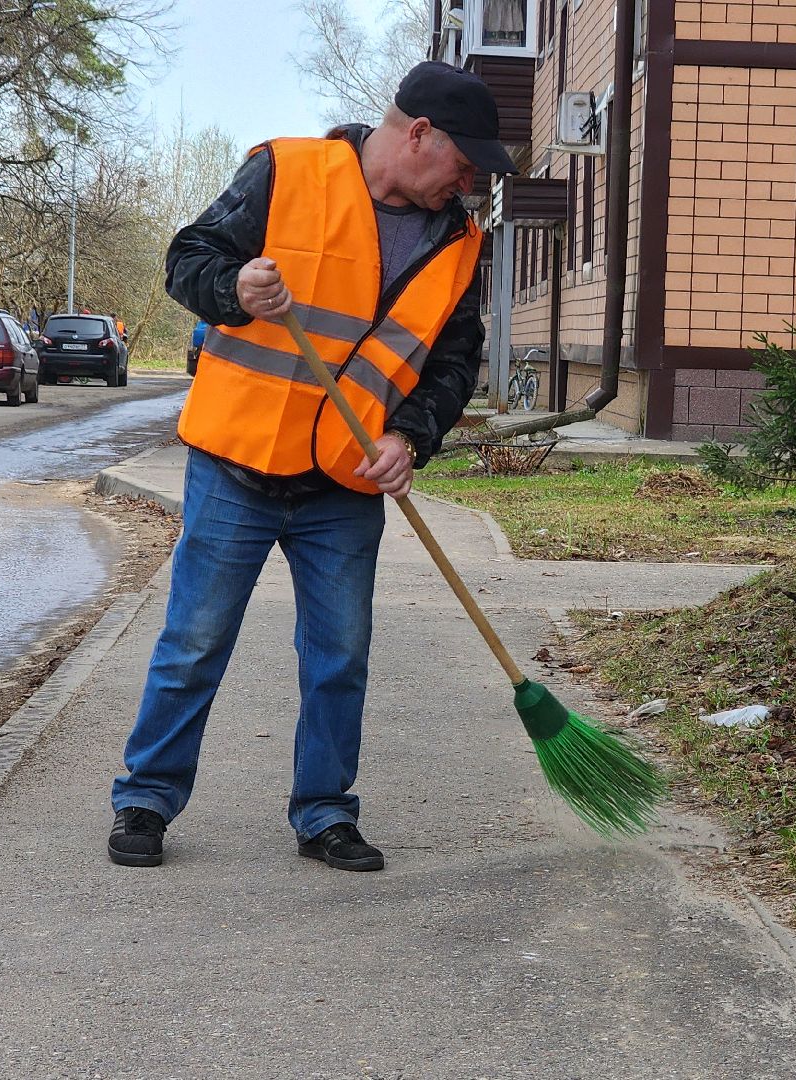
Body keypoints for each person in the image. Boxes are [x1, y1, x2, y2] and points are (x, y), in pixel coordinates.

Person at [108, 61, 517, 872]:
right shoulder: (286, 171)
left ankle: (325, 813)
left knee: (339, 656)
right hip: (237, 464)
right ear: (418, 134)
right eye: (463, 163)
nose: (469, 184)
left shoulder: (458, 242)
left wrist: (411, 436)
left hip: (346, 480)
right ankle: (145, 802)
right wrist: (234, 285)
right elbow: (188, 258)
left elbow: (454, 358)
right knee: (193, 642)